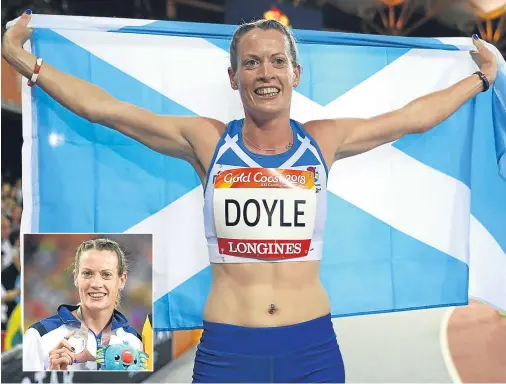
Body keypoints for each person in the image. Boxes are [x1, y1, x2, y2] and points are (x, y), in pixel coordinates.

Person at [2, 10, 498, 382]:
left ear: (295, 74)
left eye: (278, 61)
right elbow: (107, 110)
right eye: (252, 63)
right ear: (233, 76)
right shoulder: (207, 142)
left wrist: (479, 79)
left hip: (312, 349)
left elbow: (409, 118)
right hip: (228, 352)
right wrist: (25, 61)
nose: (266, 73)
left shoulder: (322, 141)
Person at [22, 238, 147, 371]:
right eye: (87, 273)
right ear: (76, 278)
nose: (96, 284)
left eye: (106, 274)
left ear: (121, 280)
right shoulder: (39, 335)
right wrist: (53, 377)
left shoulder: (134, 342)